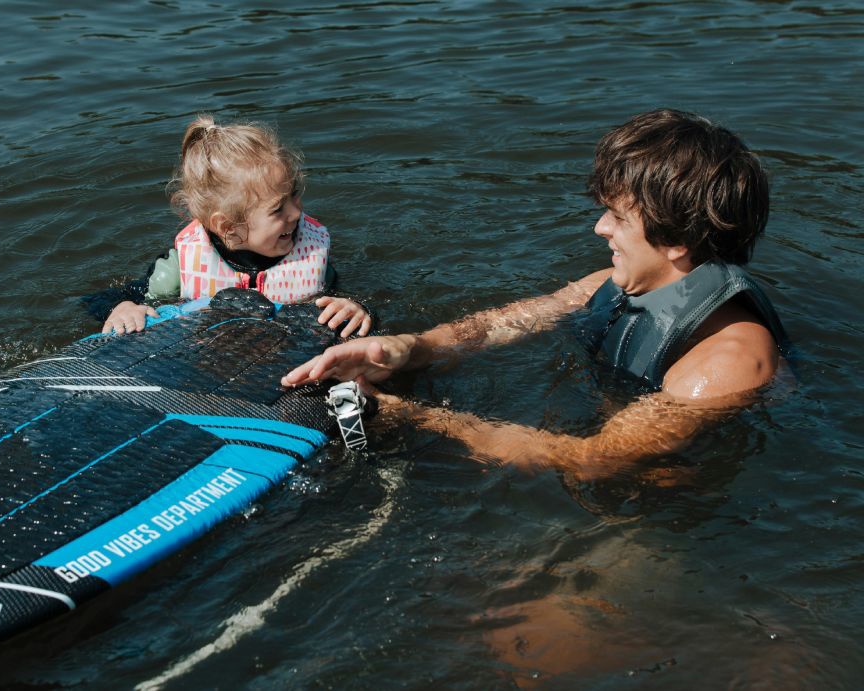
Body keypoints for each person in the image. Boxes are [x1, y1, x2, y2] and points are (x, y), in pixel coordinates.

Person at [282, 108, 788, 479]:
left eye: (618, 217)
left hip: (667, 511)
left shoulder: (726, 363)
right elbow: (511, 321)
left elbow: (594, 460)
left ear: (676, 242)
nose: (599, 229)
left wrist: (410, 414)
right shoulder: (623, 281)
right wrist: (407, 349)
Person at [88, 115, 371, 338]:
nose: (297, 212)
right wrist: (122, 308)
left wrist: (355, 309)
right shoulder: (177, 270)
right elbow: (99, 299)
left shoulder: (311, 255)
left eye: (294, 194)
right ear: (227, 225)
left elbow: (345, 301)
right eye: (277, 209)